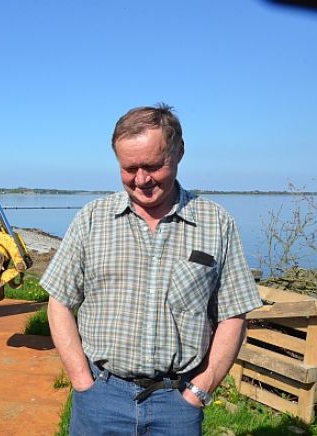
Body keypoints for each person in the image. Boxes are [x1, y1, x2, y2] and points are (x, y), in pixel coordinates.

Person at [41, 104, 262, 435]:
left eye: (153, 166)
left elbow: (233, 314)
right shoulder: (92, 220)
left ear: (179, 152)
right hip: (101, 396)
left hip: (176, 403)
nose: (141, 179)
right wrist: (81, 379)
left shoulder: (215, 223)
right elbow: (59, 302)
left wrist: (200, 389)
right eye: (129, 168)